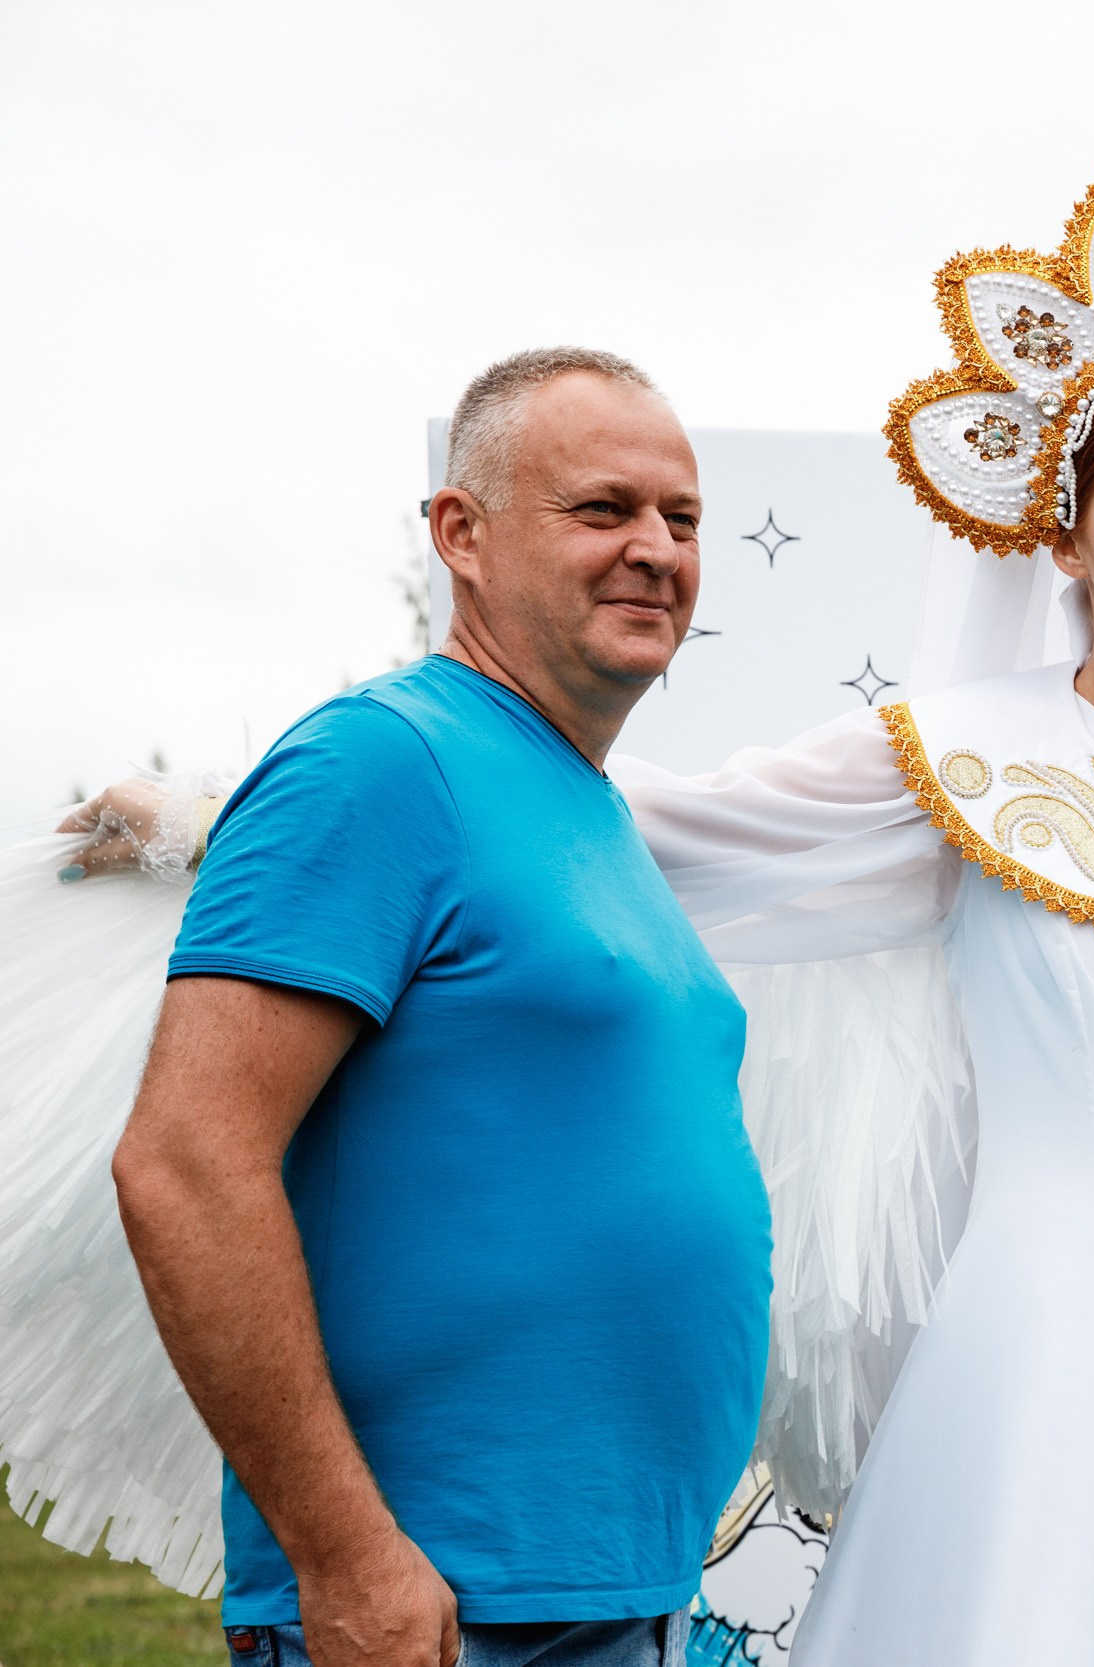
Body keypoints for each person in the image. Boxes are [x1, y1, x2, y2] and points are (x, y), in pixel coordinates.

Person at [12, 161, 1094, 1667]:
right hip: (1053, 1343)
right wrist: (211, 805)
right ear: (1066, 538)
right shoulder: (952, 759)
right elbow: (643, 823)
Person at [14, 348, 772, 1667]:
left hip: (619, 1595)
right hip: (440, 1605)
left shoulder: (590, 808)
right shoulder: (381, 756)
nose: (657, 548)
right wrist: (344, 1552)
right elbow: (186, 1162)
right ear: (460, 534)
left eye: (684, 518)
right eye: (604, 509)